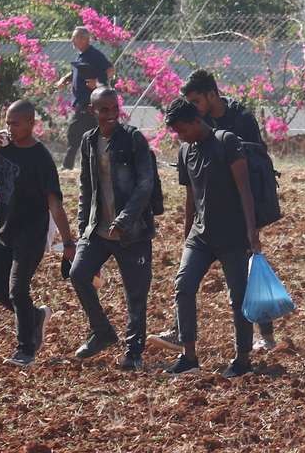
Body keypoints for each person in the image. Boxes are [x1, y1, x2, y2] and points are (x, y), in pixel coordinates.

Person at [149, 70, 280, 354]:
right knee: (186, 279)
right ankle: (179, 331)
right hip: (209, 213)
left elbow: (254, 168)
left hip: (241, 210)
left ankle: (265, 334)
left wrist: (252, 224)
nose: (193, 107)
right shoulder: (199, 122)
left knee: (246, 274)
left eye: (196, 100)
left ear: (211, 94)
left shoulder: (241, 120)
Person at [164, 98, 261, 378]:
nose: (181, 136)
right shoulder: (186, 151)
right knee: (183, 286)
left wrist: (252, 233)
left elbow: (245, 190)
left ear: (196, 120)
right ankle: (189, 356)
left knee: (237, 296)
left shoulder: (226, 142)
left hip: (232, 235)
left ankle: (242, 359)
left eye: (183, 130)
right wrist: (186, 236)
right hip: (200, 235)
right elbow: (190, 198)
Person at [0, 100, 75, 367]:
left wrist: (67, 242)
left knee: (17, 289)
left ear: (31, 124)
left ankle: (25, 350)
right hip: (0, 228)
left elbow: (54, 203)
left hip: (30, 233)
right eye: (7, 122)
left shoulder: (41, 158)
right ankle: (36, 318)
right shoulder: (3, 149)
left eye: (15, 123)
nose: (9, 128)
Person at [69, 88, 157, 371]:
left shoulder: (132, 139)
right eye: (103, 110)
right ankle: (102, 332)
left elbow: (146, 184)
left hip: (132, 234)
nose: (110, 115)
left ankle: (133, 351)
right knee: (78, 273)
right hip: (98, 231)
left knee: (135, 293)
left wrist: (125, 219)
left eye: (113, 108)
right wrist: (84, 227)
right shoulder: (89, 141)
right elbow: (86, 186)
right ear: (92, 111)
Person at [58, 27, 114, 170]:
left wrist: (97, 82)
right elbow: (77, 71)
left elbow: (110, 70)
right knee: (87, 136)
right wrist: (66, 78)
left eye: (75, 37)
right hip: (82, 103)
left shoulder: (94, 55)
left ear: (84, 39)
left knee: (75, 133)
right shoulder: (81, 55)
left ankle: (68, 165)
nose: (72, 40)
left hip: (89, 103)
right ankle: (95, 165)